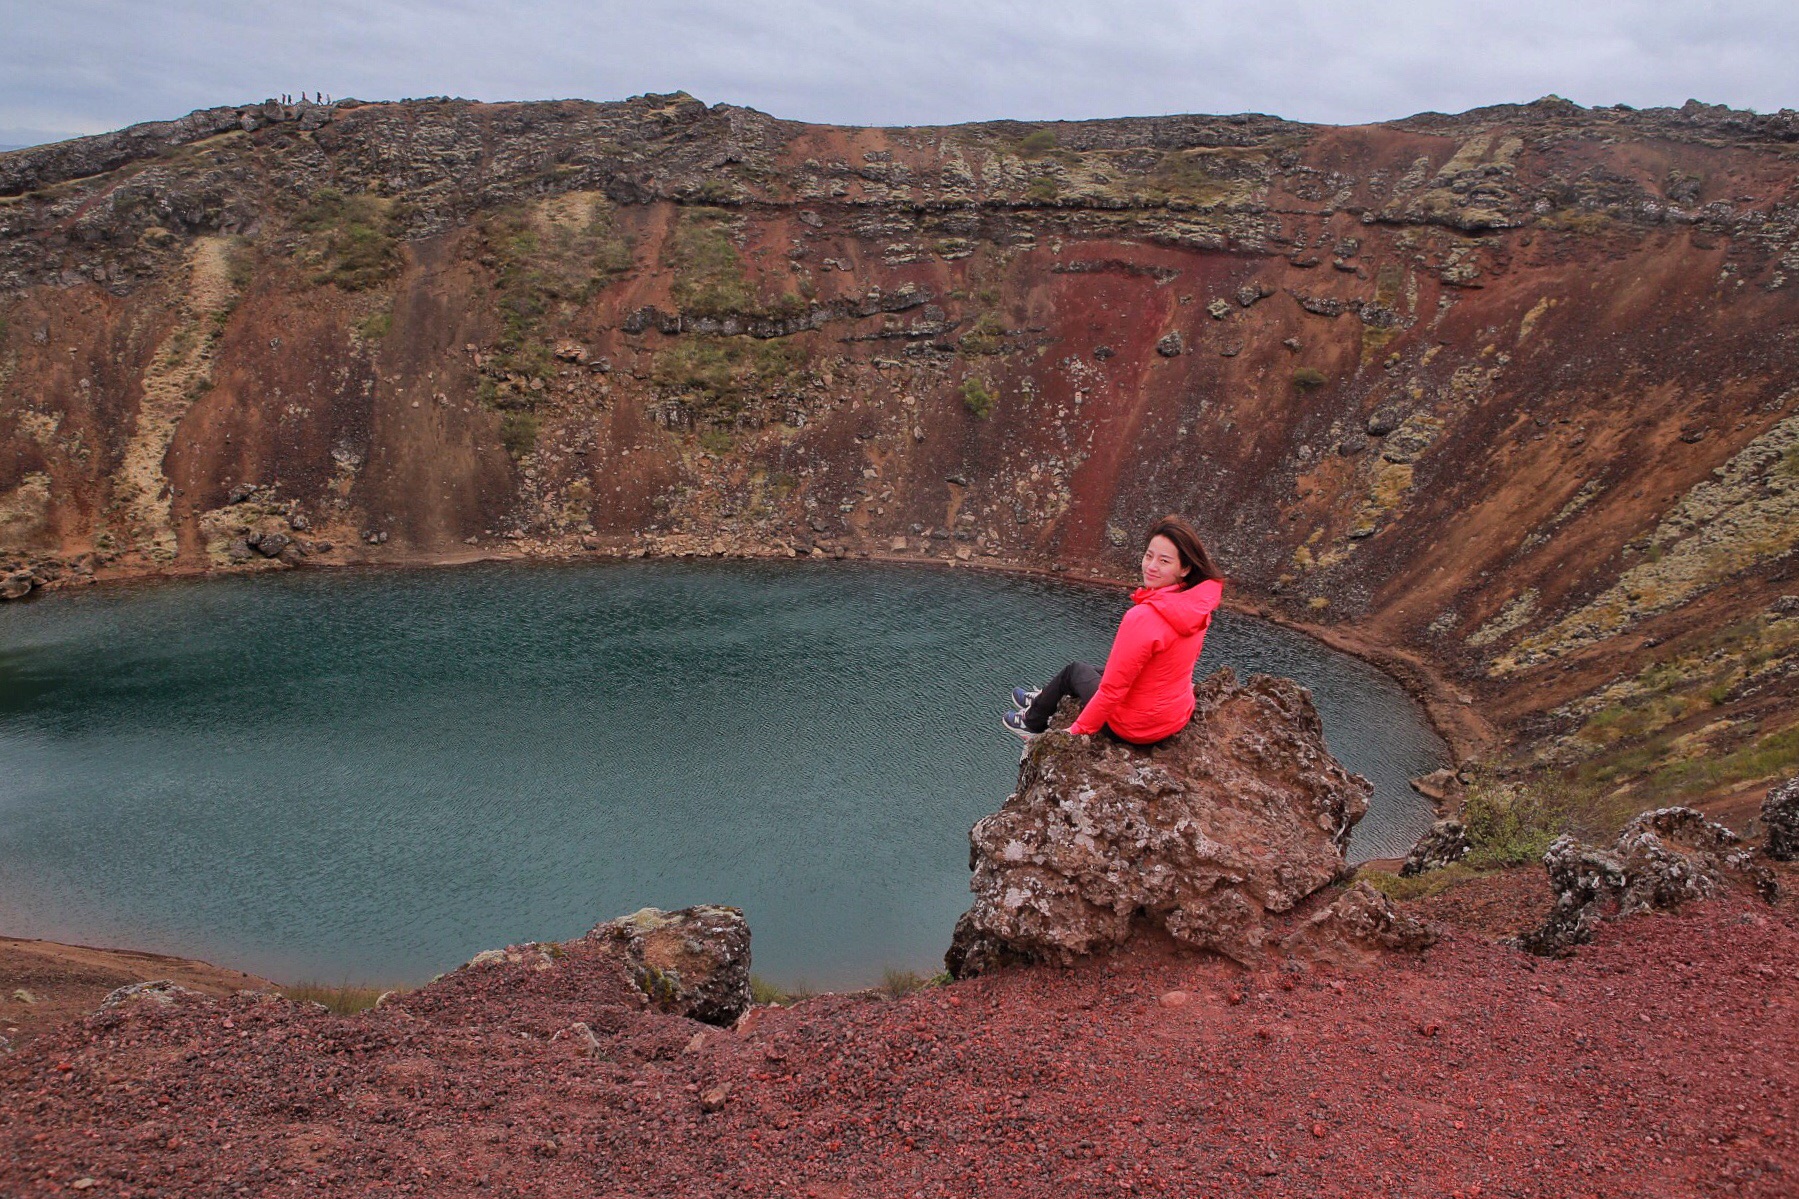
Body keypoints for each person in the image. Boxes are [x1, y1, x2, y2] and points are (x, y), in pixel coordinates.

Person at [1004, 515, 1224, 744]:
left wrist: (1076, 732)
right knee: (1105, 670)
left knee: (1074, 672)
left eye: (1164, 561)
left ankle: (1031, 722)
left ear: (1185, 568)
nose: (1151, 566)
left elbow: (1112, 690)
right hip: (1174, 716)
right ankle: (1044, 698)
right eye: (1149, 556)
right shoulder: (1197, 607)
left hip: (1134, 728)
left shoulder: (1142, 618)